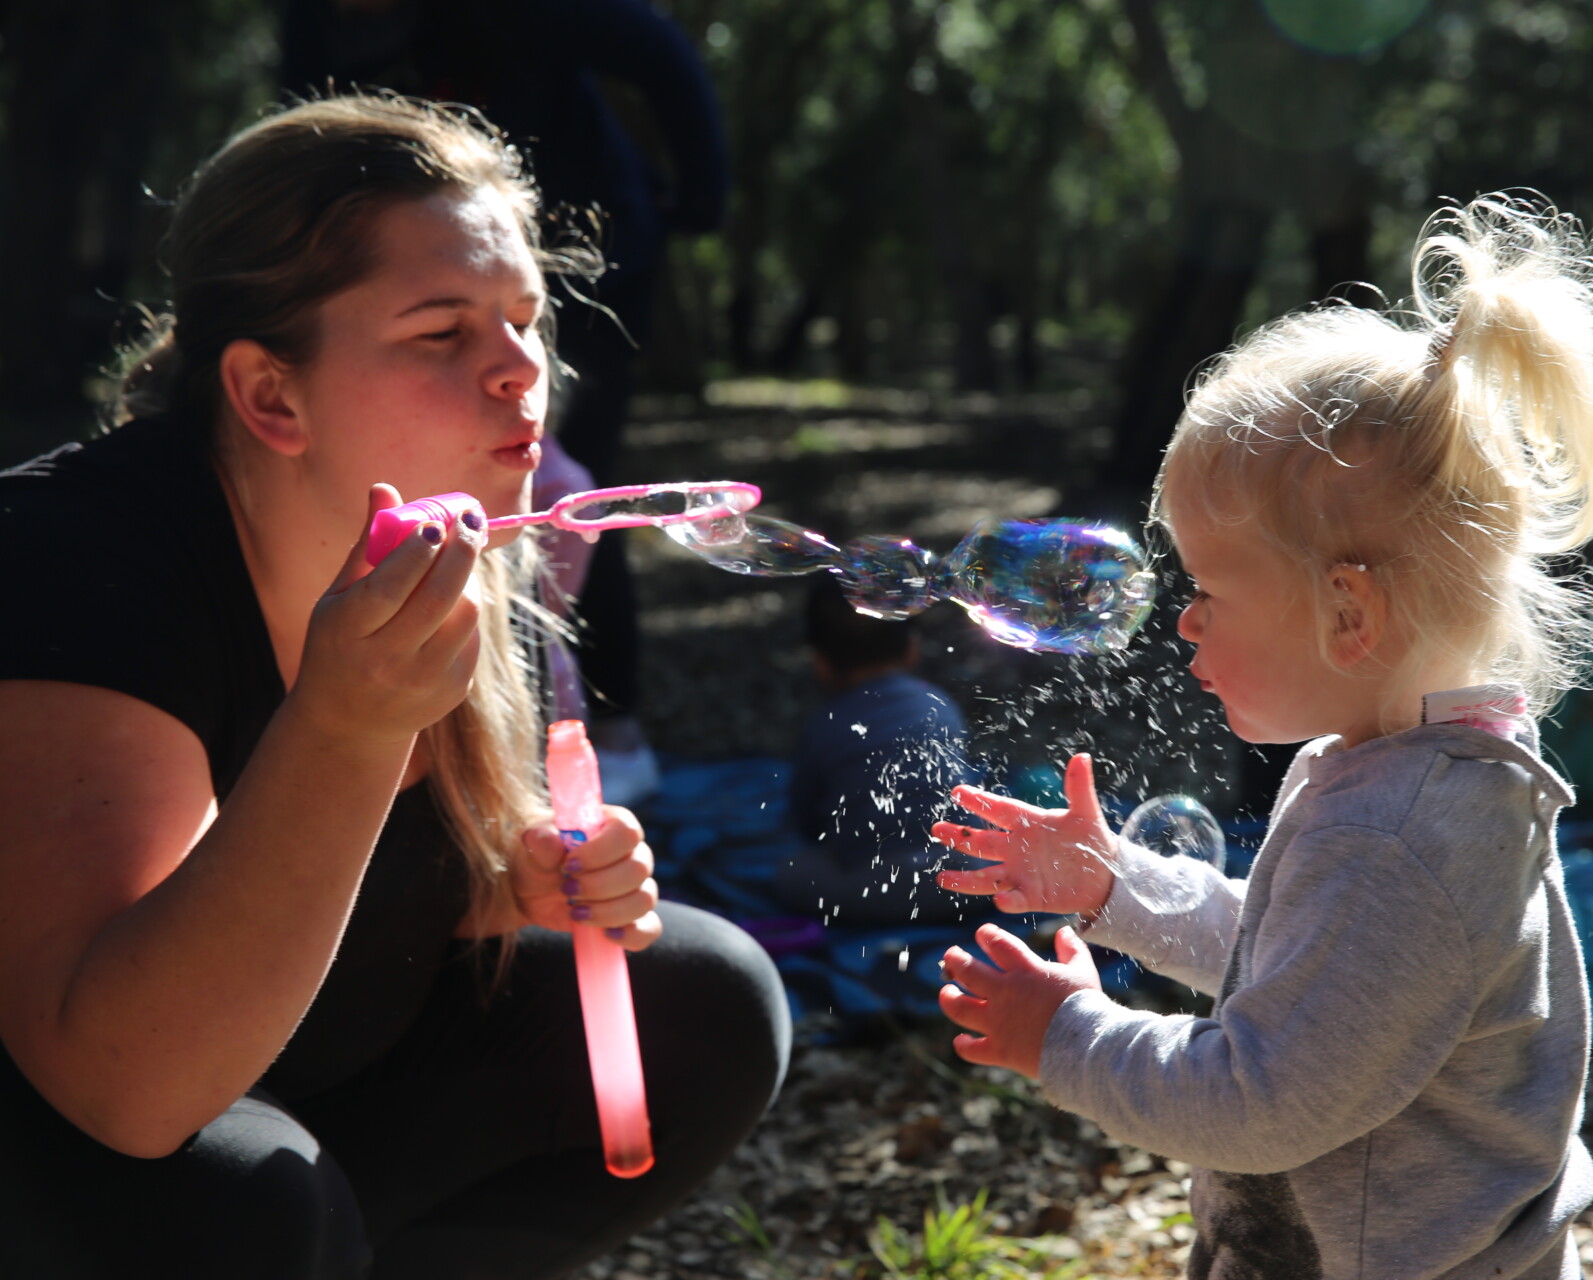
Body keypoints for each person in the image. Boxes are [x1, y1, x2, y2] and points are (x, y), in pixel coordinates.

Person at [0, 94, 787, 1280]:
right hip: (73, 1142)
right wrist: (344, 726)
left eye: (526, 321)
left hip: (294, 1089)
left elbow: (382, 911)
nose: (520, 368)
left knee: (707, 1000)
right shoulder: (80, 553)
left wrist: (514, 880)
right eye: (442, 331)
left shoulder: (462, 551)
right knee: (250, 1204)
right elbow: (125, 1083)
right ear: (272, 395)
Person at [929, 194, 1593, 1277]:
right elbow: (1308, 966)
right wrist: (1118, 887)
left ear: (1348, 614)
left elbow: (1259, 1099)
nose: (1183, 618)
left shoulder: (1401, 834)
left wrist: (1069, 1038)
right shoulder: (1408, 769)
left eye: (1212, 590)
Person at [280, 0, 734, 799]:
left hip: (582, 263)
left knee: (572, 486)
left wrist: (699, 202)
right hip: (424, 285)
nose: (522, 372)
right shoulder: (313, 29)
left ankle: (594, 724)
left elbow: (661, 54)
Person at [777, 576, 983, 926]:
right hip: (968, 882)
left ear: (820, 662)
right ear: (911, 648)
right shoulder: (938, 702)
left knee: (790, 875)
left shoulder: (826, 722)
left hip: (874, 890)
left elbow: (807, 819)